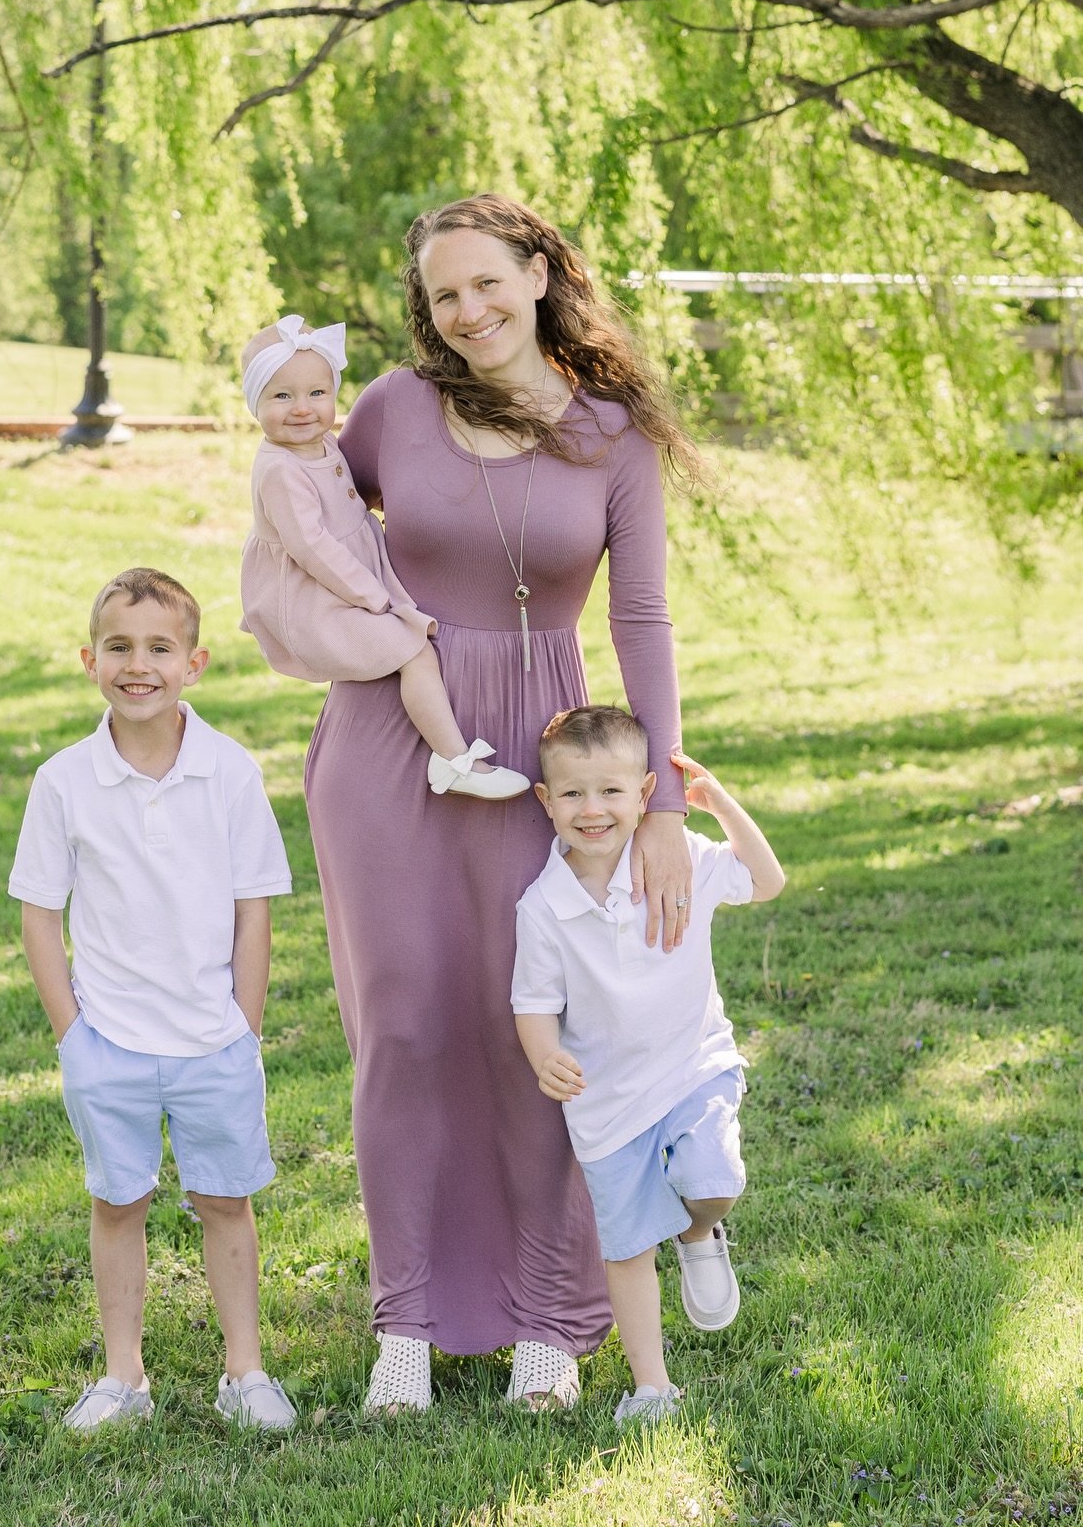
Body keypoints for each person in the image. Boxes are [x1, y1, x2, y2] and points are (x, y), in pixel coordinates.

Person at [303, 193, 702, 1414]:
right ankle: (406, 1325)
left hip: (549, 756)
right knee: (405, 1030)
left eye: (484, 282)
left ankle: (546, 1316)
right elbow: (301, 520)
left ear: (538, 272)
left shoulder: (613, 433)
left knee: (545, 1035)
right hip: (387, 748)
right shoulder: (389, 410)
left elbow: (639, 618)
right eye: (441, 297)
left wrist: (665, 803)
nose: (465, 312)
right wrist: (344, 631)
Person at [10, 566, 297, 1432]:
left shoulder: (230, 772)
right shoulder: (63, 781)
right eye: (120, 647)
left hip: (213, 1040)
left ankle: (244, 1372)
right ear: (89, 659)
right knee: (117, 1202)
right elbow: (38, 916)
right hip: (111, 1046)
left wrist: (243, 1030)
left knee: (225, 1201)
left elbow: (255, 913)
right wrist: (75, 1037)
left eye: (160, 648)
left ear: (196, 663)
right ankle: (125, 1377)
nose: (139, 666)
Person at [512, 706, 786, 1425]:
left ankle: (701, 1232)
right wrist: (545, 1056)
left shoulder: (681, 859)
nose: (592, 809)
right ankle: (652, 1386)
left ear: (643, 793)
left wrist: (719, 804)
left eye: (611, 791)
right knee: (628, 1246)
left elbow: (766, 881)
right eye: (572, 794)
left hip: (694, 1065)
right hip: (605, 1104)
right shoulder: (544, 905)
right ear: (546, 801)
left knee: (712, 1182)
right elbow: (533, 1001)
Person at [239, 312, 529, 799]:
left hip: (348, 579)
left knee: (414, 645)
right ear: (255, 403)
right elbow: (313, 548)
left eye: (317, 393)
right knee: (413, 651)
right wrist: (372, 596)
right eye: (281, 396)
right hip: (319, 598)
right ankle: (453, 760)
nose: (302, 408)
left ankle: (450, 755)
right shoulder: (280, 470)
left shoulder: (320, 444)